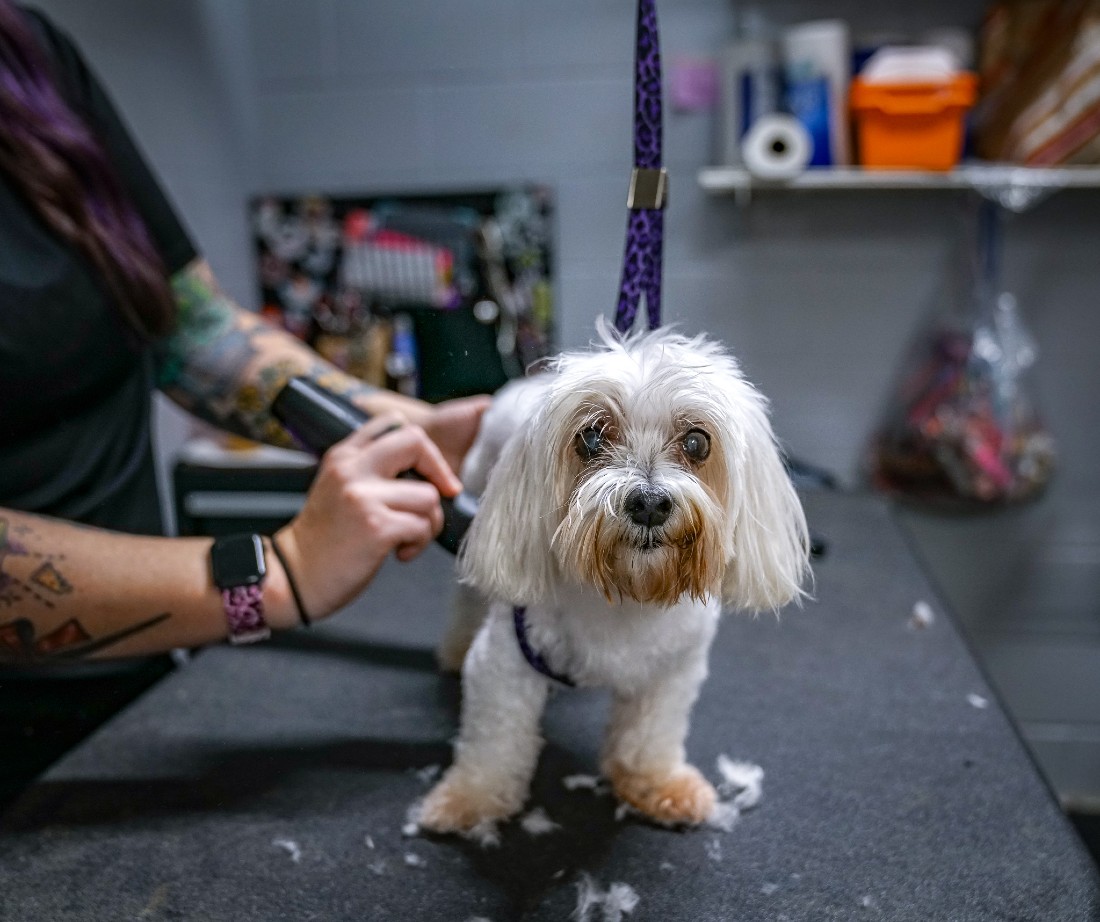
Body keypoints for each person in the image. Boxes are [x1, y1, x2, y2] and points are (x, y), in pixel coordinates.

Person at [0, 2, 489, 664]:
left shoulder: (26, 57)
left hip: (134, 696)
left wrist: (407, 429)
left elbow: (194, 335)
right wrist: (277, 573)